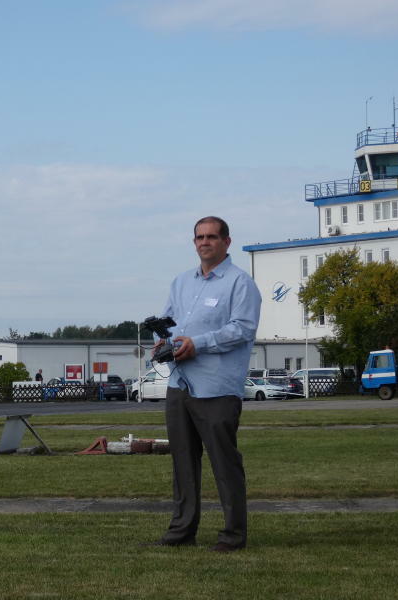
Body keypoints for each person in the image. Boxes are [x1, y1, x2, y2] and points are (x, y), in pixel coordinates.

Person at [148, 216, 261, 553]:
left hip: (217, 387)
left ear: (227, 242)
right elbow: (167, 323)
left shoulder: (241, 284)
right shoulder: (181, 283)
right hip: (180, 385)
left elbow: (242, 329)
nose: (205, 242)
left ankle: (233, 535)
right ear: (194, 242)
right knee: (182, 461)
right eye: (199, 237)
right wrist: (162, 343)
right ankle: (182, 531)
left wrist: (198, 343)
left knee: (224, 464)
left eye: (212, 237)